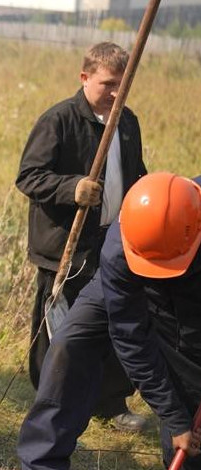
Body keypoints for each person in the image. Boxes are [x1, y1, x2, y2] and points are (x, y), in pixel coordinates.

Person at [18, 173, 201, 469]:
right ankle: (42, 462)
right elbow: (130, 337)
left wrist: (179, 420)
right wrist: (174, 416)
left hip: (191, 287)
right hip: (129, 273)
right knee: (70, 346)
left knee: (190, 385)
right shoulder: (122, 246)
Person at [16, 41, 147, 431]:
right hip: (64, 247)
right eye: (107, 84)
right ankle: (51, 404)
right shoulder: (58, 120)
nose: (114, 93)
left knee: (114, 323)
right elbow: (29, 176)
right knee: (58, 329)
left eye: (122, 85)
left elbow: (136, 173)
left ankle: (110, 403)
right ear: (85, 77)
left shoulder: (127, 122)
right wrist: (71, 189)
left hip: (111, 243)